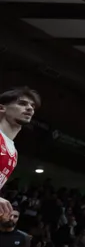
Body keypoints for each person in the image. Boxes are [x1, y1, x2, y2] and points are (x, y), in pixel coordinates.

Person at [0, 86, 40, 222]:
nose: (30, 109)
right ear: (2, 108)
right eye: (22, 103)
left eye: (32, 106)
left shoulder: (13, 153)